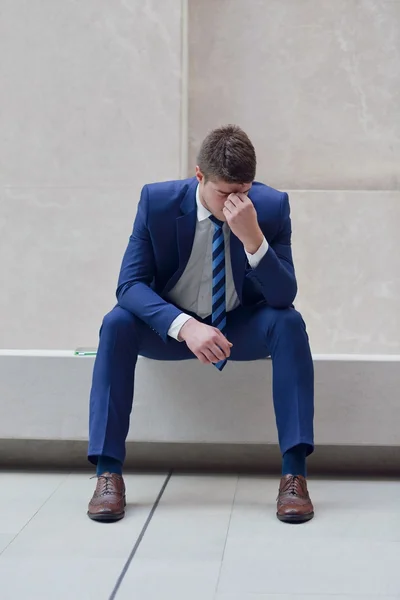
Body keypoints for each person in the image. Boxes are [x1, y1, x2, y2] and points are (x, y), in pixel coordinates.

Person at [87, 125, 315, 524]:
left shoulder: (271, 207)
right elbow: (129, 284)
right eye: (225, 192)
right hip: (172, 330)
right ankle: (108, 473)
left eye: (243, 190)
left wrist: (254, 239)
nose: (235, 202)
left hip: (237, 329)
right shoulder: (157, 202)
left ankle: (293, 474)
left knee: (289, 323)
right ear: (199, 176)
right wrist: (184, 326)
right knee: (116, 323)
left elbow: (283, 296)